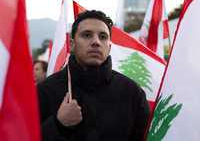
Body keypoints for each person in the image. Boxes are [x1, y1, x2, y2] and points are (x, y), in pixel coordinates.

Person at [37, 10, 151, 141]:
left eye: (103, 37)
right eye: (86, 35)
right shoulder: (43, 91)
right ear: (72, 45)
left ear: (109, 48)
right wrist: (58, 124)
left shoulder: (131, 92)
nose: (96, 42)